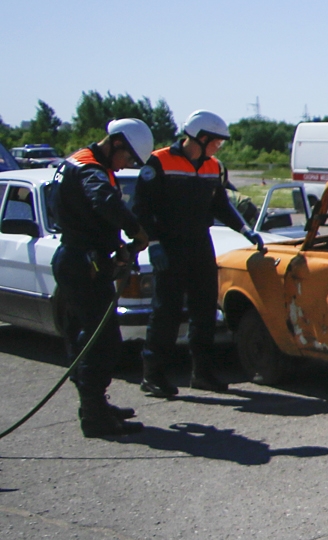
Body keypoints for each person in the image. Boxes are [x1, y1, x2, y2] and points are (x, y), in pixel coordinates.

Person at [132, 111, 258, 396]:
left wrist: (244, 228)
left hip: (200, 245)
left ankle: (201, 373)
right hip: (169, 247)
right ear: (201, 138)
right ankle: (152, 375)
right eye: (217, 142)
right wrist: (153, 244)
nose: (219, 148)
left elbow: (221, 205)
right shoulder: (159, 161)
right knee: (166, 313)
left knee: (204, 312)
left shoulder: (213, 166)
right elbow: (142, 207)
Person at [54, 119, 154, 437]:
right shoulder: (88, 169)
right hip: (80, 263)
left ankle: (94, 406)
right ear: (116, 143)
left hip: (80, 258)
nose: (126, 165)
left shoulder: (85, 163)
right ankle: (95, 418)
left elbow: (90, 217)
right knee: (102, 341)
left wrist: (117, 248)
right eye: (127, 158)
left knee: (86, 337)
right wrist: (135, 230)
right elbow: (104, 202)